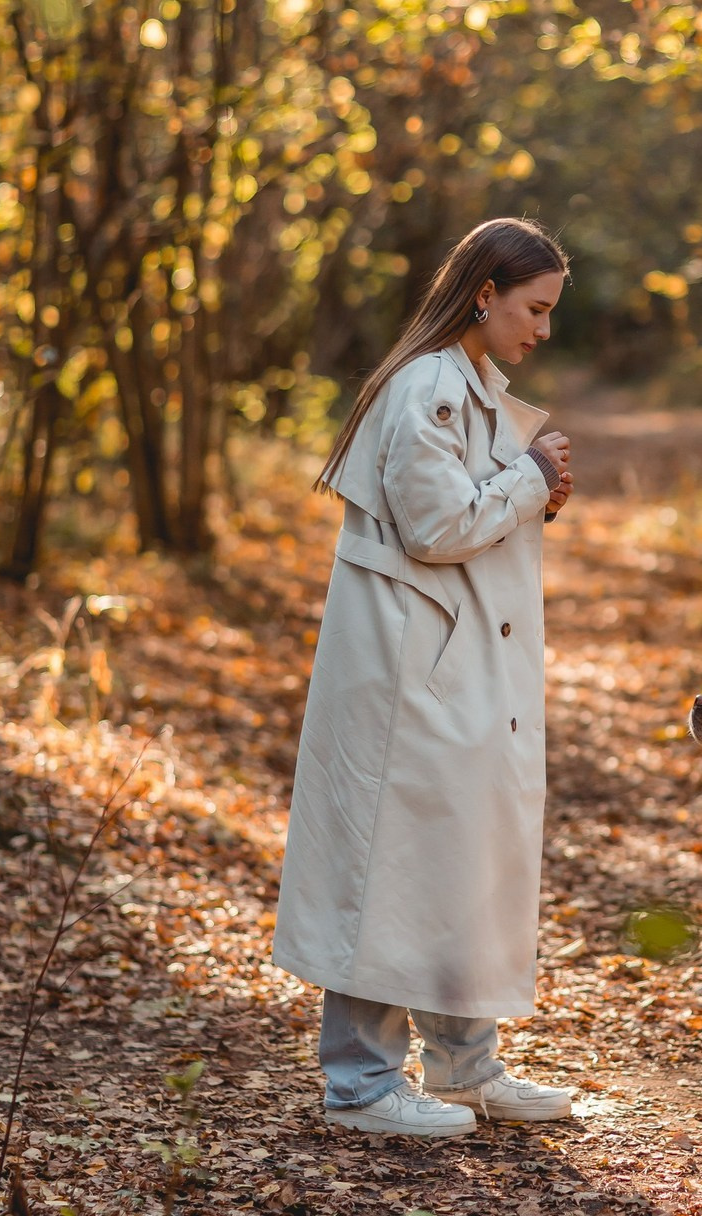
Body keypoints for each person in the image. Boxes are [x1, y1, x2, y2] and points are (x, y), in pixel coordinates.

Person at [272, 218, 576, 1138]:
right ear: (484, 292)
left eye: (551, 311)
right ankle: (361, 1085)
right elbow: (436, 530)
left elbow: (471, 514)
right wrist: (529, 479)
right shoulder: (425, 390)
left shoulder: (471, 384)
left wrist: (533, 491)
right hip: (409, 671)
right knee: (391, 864)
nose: (543, 330)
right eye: (534, 308)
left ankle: (463, 1067)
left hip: (458, 662)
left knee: (463, 857)